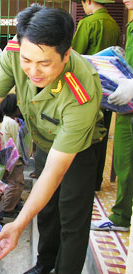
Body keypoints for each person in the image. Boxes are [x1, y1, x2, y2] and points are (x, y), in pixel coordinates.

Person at [0, 5, 105, 274]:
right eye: (27, 61)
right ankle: (45, 265)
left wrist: (19, 223)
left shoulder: (83, 91)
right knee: (47, 212)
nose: (33, 71)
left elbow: (57, 171)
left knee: (71, 217)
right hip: (44, 141)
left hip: (78, 149)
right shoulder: (16, 51)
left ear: (66, 54)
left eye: (44, 63)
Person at [91, 0, 133, 232]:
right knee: (123, 162)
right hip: (125, 103)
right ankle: (121, 216)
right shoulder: (127, 24)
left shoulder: (93, 23)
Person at [71, 0, 120, 191]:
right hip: (108, 89)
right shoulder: (114, 24)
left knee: (85, 136)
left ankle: (84, 182)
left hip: (86, 89)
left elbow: (75, 55)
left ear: (88, 1)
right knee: (103, 134)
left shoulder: (88, 23)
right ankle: (97, 181)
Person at [0, 94, 25, 218]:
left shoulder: (4, 120)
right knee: (15, 183)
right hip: (14, 159)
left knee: (13, 183)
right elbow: (17, 143)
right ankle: (8, 208)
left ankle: (13, 203)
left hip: (7, 157)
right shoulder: (12, 124)